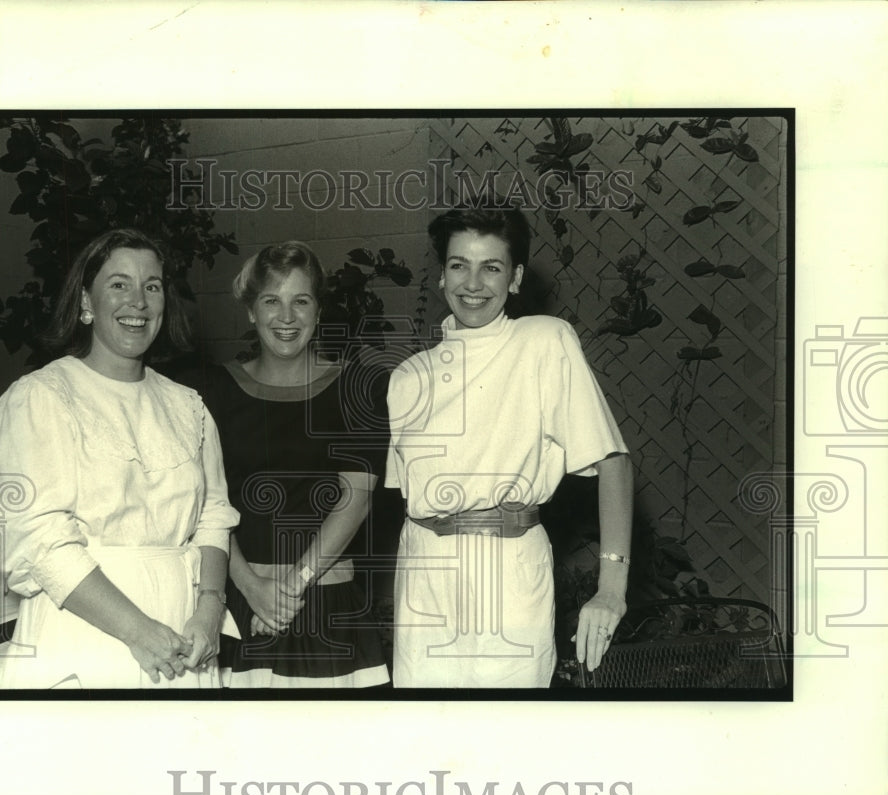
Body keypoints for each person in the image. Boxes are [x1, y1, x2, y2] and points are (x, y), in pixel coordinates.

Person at [0, 228, 240, 689]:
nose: (138, 301)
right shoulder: (41, 398)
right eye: (119, 284)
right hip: (86, 629)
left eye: (151, 286)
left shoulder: (188, 407)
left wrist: (210, 606)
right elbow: (38, 540)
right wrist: (137, 631)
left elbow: (214, 515)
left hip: (185, 632)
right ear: (85, 302)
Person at [385, 203, 634, 688]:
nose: (472, 283)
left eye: (491, 267)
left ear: (515, 279)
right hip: (423, 577)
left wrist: (611, 587)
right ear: (441, 276)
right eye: (459, 265)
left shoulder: (544, 340)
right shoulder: (407, 377)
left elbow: (613, 460)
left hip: (510, 571)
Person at [186, 241, 389, 688]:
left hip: (326, 606)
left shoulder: (357, 387)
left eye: (301, 301)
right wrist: (253, 588)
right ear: (250, 312)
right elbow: (205, 503)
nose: (286, 316)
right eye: (271, 301)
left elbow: (354, 502)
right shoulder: (209, 392)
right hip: (239, 604)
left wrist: (290, 590)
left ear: (318, 312)